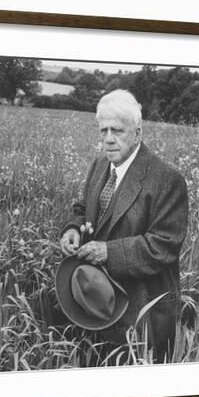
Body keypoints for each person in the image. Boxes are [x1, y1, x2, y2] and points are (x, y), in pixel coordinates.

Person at [59, 89, 188, 363]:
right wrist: (72, 229)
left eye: (117, 130)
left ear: (138, 133)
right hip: (98, 302)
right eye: (103, 130)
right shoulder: (99, 165)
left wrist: (109, 252)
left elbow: (164, 245)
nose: (108, 139)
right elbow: (83, 209)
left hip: (142, 312)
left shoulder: (167, 179)